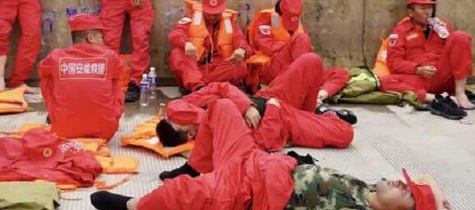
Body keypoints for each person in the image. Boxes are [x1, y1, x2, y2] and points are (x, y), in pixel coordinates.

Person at [91, 100, 447, 210]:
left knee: (182, 195)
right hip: (258, 160)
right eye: (407, 183)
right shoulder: (370, 189)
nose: (403, 182)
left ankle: (130, 207)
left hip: (253, 188)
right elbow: (430, 179)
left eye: (408, 193)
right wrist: (429, 195)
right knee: (221, 108)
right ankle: (194, 167)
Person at [154, 57, 354, 179]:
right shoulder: (215, 138)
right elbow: (262, 144)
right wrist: (274, 112)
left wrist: (247, 106)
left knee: (311, 61)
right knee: (345, 134)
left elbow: (221, 87)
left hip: (266, 98)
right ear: (189, 134)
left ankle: (315, 107)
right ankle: (323, 115)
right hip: (282, 119)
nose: (176, 114)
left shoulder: (190, 106)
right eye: (176, 121)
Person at [379, 0, 474, 116]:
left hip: (443, 75)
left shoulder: (440, 27)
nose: (428, 12)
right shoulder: (401, 31)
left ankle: (460, 93)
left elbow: (458, 54)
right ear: (410, 12)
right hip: (421, 79)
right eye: (422, 8)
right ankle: (433, 98)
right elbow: (394, 63)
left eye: (429, 7)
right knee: (384, 82)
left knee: (460, 36)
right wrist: (418, 69)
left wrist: (446, 35)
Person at [246, 0, 350, 102]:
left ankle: (319, 95)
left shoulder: (296, 22)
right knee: (302, 39)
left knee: (341, 73)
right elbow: (265, 44)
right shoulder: (267, 19)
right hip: (273, 68)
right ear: (279, 13)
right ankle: (304, 86)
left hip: (297, 70)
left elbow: (304, 51)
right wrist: (291, 46)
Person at [37, 14, 125, 140]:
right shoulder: (109, 56)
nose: (103, 41)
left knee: (48, 77)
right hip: (105, 132)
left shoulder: (56, 56)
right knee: (114, 79)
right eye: (101, 37)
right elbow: (119, 71)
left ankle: (58, 116)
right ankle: (102, 120)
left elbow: (41, 71)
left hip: (63, 130)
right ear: (91, 38)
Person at [168, 0, 251, 93]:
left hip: (219, 72)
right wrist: (186, 44)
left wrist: (241, 50)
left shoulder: (231, 23)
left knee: (240, 65)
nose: (212, 17)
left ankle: (201, 91)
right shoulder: (191, 17)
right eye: (209, 13)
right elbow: (175, 33)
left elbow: (242, 42)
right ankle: (200, 88)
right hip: (195, 70)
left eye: (216, 13)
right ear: (203, 7)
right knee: (177, 53)